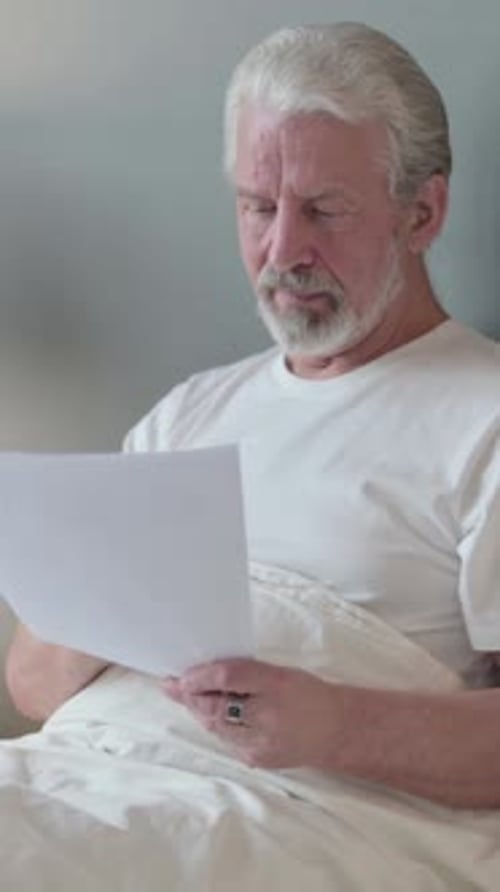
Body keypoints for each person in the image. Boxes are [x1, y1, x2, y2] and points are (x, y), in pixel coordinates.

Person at [6, 22, 500, 809]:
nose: (282, 250)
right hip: (86, 777)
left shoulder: (484, 418)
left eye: (323, 210)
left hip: (287, 815)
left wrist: (335, 725)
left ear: (423, 213)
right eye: (258, 206)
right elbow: (31, 684)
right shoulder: (190, 414)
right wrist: (110, 598)